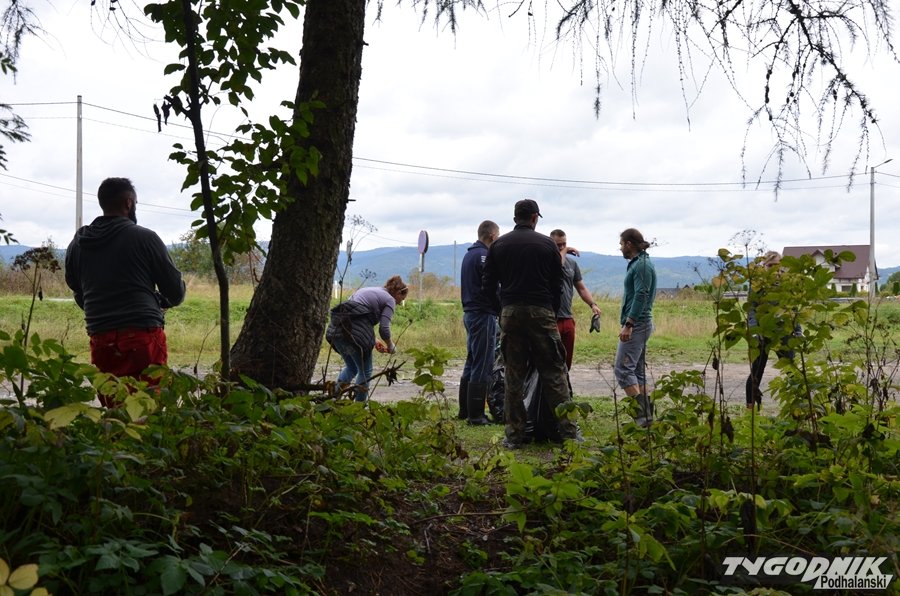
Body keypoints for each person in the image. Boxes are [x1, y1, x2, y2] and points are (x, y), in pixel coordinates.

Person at [65, 177, 186, 407]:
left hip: (101, 338)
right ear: (129, 203)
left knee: (116, 409)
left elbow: (78, 291)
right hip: (143, 336)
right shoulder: (145, 238)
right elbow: (175, 292)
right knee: (147, 407)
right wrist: (161, 301)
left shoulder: (78, 244)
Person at [482, 199, 580, 448]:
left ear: (515, 218)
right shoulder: (547, 245)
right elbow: (557, 285)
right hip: (542, 311)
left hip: (511, 312)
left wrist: (501, 309)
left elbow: (488, 284)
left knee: (513, 375)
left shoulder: (499, 245)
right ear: (535, 218)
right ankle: (569, 432)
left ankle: (514, 435)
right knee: (554, 372)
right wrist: (550, 310)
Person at [325, 275, 409, 403]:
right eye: (401, 299)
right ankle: (360, 407)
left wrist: (374, 340)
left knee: (351, 368)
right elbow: (384, 328)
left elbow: (356, 317)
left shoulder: (369, 290)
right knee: (366, 371)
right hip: (354, 337)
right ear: (398, 293)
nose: (398, 303)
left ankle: (333, 401)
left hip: (336, 333)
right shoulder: (390, 299)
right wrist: (390, 345)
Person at [745, 251, 799, 410]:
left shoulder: (786, 285)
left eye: (778, 265)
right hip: (762, 334)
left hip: (784, 334)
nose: (775, 269)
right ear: (764, 266)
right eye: (771, 265)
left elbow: (793, 310)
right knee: (756, 372)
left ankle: (799, 408)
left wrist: (798, 331)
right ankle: (750, 409)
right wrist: (755, 331)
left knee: (791, 370)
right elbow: (751, 310)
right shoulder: (757, 286)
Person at [458, 220, 500, 425]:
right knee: (483, 363)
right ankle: (476, 415)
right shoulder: (484, 256)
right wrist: (500, 307)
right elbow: (490, 286)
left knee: (472, 361)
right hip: (482, 313)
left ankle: (465, 410)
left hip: (470, 312)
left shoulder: (469, 254)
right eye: (498, 235)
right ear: (492, 236)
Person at [615, 228, 657, 427]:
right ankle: (647, 420)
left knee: (623, 370)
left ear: (629, 244)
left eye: (621, 244)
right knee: (637, 372)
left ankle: (642, 420)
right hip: (640, 323)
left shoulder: (641, 266)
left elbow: (642, 294)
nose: (620, 248)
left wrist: (629, 324)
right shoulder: (639, 263)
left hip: (638, 324)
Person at [548, 229, 602, 370]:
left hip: (567, 317)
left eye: (564, 244)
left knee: (567, 360)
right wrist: (565, 250)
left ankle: (565, 382)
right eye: (558, 245)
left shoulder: (572, 264)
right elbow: (557, 266)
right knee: (551, 360)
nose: (561, 247)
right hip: (551, 318)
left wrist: (593, 304)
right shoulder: (547, 261)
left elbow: (581, 288)